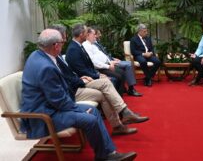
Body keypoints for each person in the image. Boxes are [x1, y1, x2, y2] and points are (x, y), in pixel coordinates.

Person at [20, 29, 137, 160]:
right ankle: (105, 156)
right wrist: (78, 110)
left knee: (92, 110)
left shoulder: (38, 55)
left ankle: (108, 154)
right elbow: (58, 100)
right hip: (42, 116)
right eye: (62, 42)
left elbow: (57, 97)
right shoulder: (45, 67)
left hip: (50, 107)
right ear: (56, 45)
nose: (63, 45)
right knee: (90, 118)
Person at [49, 25, 148, 136]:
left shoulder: (69, 50)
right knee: (106, 82)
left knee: (106, 87)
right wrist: (88, 78)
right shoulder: (71, 50)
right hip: (74, 88)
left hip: (80, 80)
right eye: (87, 32)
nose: (65, 39)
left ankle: (119, 124)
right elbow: (76, 72)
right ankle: (124, 113)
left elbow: (70, 73)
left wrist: (88, 76)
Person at [83, 27, 142, 96]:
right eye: (94, 34)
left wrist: (111, 61)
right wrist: (109, 65)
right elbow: (94, 62)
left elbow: (103, 55)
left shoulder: (92, 44)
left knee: (122, 72)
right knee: (121, 73)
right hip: (101, 67)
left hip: (107, 63)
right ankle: (122, 94)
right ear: (88, 35)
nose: (95, 36)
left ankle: (123, 93)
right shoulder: (87, 45)